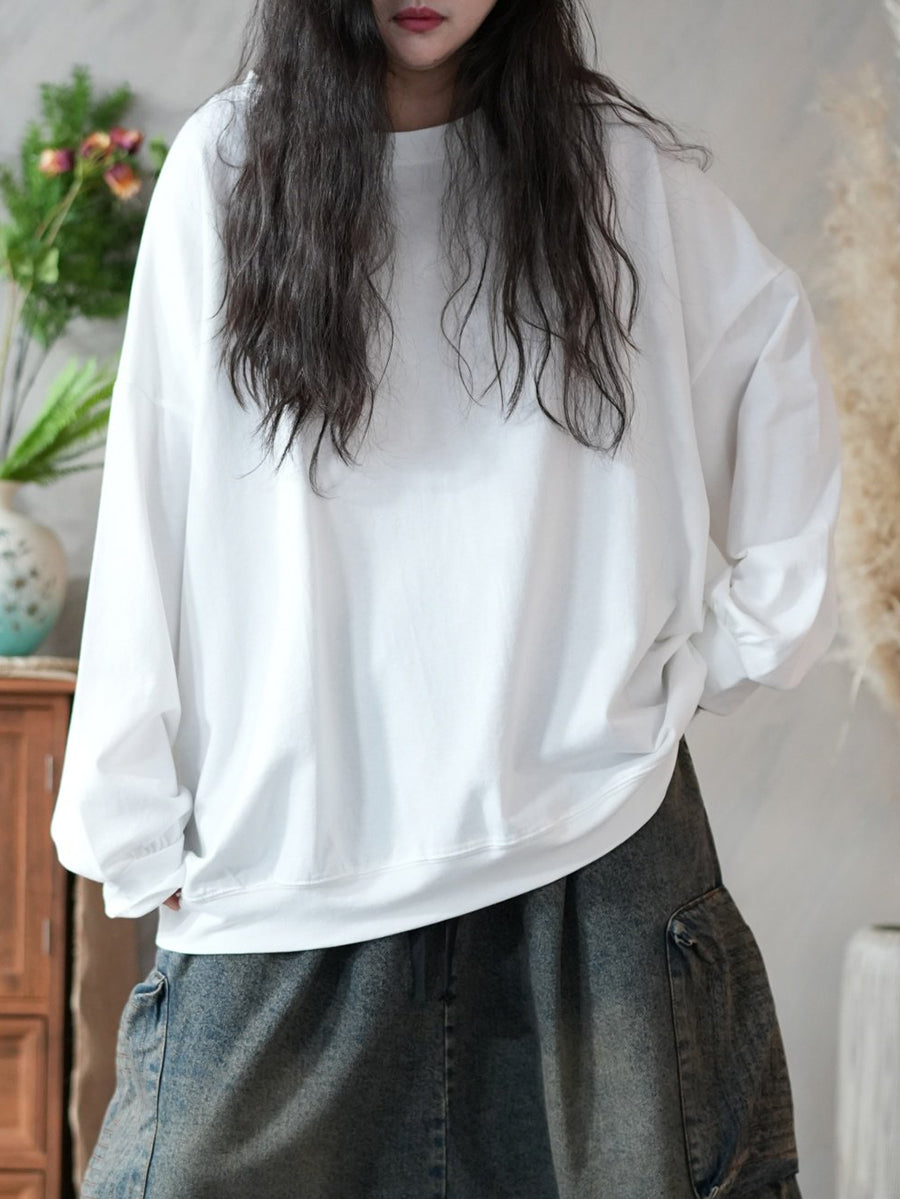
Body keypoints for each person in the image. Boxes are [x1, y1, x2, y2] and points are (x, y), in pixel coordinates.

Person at [50, 0, 841, 1196]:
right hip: (292, 864)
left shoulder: (614, 171)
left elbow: (774, 353)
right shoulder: (229, 164)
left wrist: (738, 640)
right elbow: (150, 493)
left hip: (592, 857)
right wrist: (131, 802)